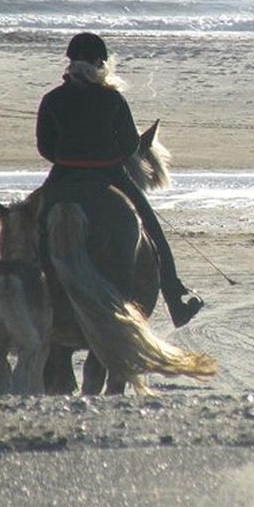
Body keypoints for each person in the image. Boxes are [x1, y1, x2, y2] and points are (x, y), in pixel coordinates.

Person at [36, 31, 202, 328]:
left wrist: (69, 156)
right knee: (151, 227)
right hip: (109, 173)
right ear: (101, 63)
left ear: (70, 62)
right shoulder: (112, 99)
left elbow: (45, 147)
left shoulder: (52, 99)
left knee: (26, 222)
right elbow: (129, 146)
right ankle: (175, 299)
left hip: (64, 175)